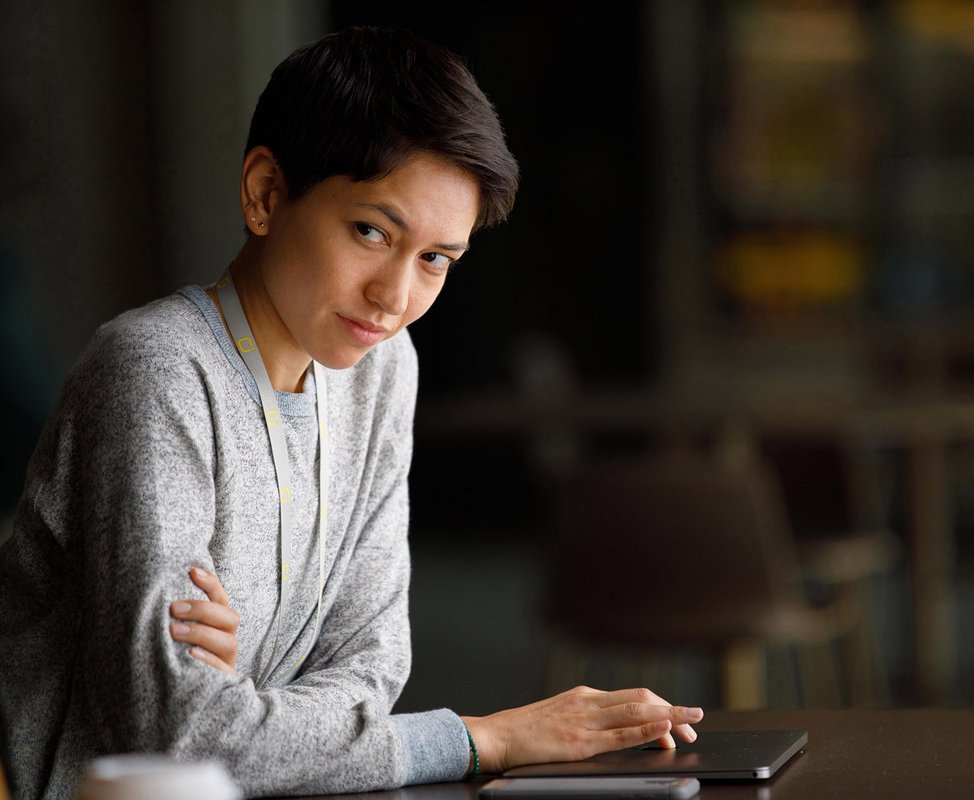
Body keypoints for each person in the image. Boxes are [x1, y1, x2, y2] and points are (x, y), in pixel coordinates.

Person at [0, 26, 702, 799]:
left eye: (436, 259)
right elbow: (180, 739)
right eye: (372, 231)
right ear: (266, 194)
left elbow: (371, 669)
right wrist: (482, 739)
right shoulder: (156, 373)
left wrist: (245, 705)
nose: (396, 298)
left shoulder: (381, 369)